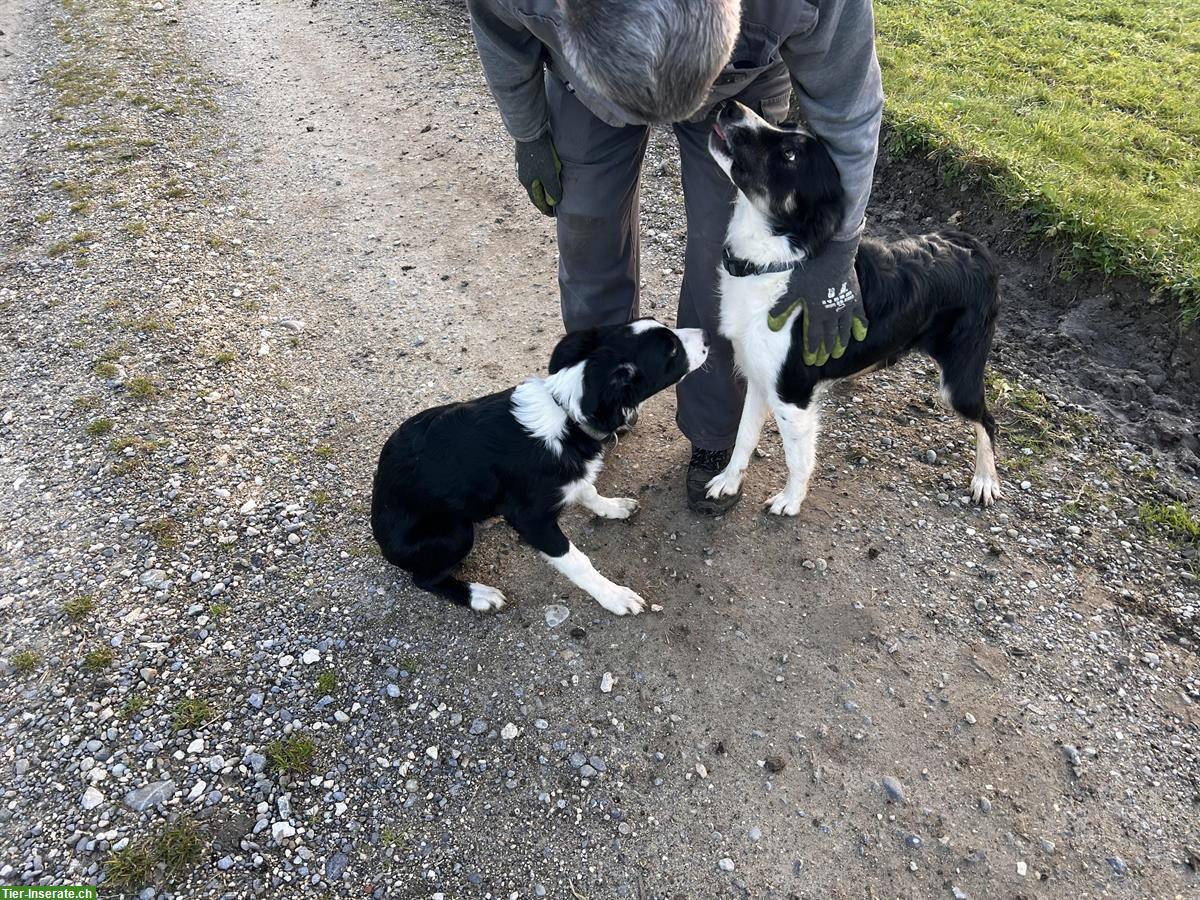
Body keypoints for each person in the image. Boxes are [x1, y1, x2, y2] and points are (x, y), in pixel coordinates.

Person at [466, 0, 882, 514]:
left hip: (738, 89)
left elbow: (848, 107)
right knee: (587, 228)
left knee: (731, 263)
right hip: (586, 84)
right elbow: (500, 35)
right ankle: (607, 394)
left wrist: (836, 251)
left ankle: (713, 430)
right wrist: (529, 132)